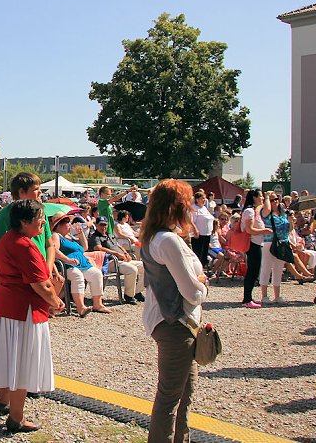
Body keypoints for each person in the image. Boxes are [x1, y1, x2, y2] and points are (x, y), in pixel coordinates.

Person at [0, 200, 64, 433]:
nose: (44, 221)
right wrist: (56, 301)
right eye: (39, 217)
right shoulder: (25, 246)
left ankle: (2, 401)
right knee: (22, 363)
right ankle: (16, 418)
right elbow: (40, 285)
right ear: (24, 222)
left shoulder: (7, 240)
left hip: (4, 307)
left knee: (8, 358)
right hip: (22, 311)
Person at [140, 179, 208, 443]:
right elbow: (191, 290)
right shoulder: (168, 240)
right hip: (176, 323)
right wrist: (203, 285)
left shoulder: (154, 237)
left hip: (173, 321)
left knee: (183, 394)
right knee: (170, 396)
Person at [51, 213, 106, 315]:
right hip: (67, 265)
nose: (70, 225)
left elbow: (84, 247)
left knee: (96, 274)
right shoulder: (56, 236)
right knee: (78, 276)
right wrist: (68, 259)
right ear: (59, 225)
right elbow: (54, 250)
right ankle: (81, 307)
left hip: (82, 264)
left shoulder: (70, 236)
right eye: (68, 222)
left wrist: (80, 233)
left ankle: (97, 304)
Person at [88, 217, 145, 304]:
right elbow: (98, 248)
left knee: (145, 266)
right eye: (101, 225)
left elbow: (118, 245)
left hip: (121, 259)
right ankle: (129, 296)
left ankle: (137, 291)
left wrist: (125, 253)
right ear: (96, 225)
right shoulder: (95, 237)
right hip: (109, 262)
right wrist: (117, 254)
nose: (103, 227)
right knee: (132, 269)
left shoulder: (109, 235)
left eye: (105, 225)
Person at [240, 189, 273, 309]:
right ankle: (247, 299)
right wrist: (264, 231)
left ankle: (248, 297)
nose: (262, 198)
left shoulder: (254, 210)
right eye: (260, 196)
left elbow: (267, 209)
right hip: (252, 243)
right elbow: (249, 229)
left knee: (254, 271)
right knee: (252, 272)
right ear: (254, 197)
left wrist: (268, 198)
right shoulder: (249, 211)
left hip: (257, 243)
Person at [260, 192, 288, 304]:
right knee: (266, 268)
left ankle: (277, 295)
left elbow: (288, 229)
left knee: (278, 269)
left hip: (282, 243)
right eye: (272, 200)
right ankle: (264, 295)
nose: (275, 201)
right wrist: (266, 197)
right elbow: (266, 210)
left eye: (276, 199)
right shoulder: (265, 212)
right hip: (268, 242)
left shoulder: (283, 214)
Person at [190, 190, 215, 267]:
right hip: (198, 235)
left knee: (204, 254)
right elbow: (191, 221)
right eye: (202, 198)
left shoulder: (204, 208)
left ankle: (202, 269)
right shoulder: (194, 208)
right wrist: (195, 230)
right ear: (197, 199)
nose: (204, 200)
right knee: (198, 253)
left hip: (207, 234)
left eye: (205, 198)